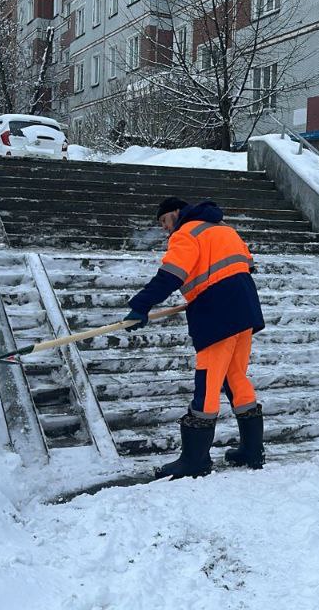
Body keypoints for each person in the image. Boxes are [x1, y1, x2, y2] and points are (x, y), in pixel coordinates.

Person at [125, 197, 266, 479]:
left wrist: (141, 305)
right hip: (246, 308)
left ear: (176, 213)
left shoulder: (186, 233)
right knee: (236, 377)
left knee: (208, 383)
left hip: (217, 313)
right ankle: (252, 451)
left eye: (164, 222)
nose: (166, 230)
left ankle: (195, 459)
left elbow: (170, 275)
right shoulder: (224, 229)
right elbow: (246, 265)